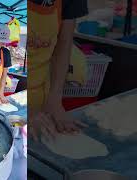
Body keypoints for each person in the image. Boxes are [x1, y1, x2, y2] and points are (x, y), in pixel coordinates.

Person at [29, 0, 89, 140]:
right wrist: (25, 111)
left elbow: (64, 45)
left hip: (41, 94)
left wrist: (55, 100)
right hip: (13, 96)